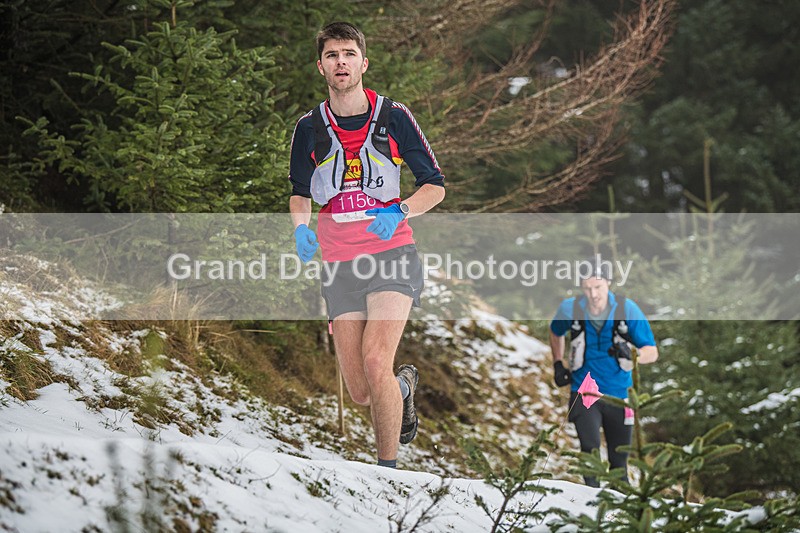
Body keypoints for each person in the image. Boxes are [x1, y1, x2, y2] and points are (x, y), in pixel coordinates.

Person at [288, 22, 446, 469]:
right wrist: (301, 228)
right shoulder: (309, 128)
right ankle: (402, 388)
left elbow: (435, 187)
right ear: (321, 66)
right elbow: (300, 192)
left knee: (378, 358)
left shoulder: (395, 117)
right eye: (333, 55)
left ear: (364, 62)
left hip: (392, 252)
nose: (342, 62)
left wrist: (400, 211)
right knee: (361, 389)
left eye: (349, 54)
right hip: (339, 262)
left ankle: (387, 471)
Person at [549, 258, 658, 487]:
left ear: (608, 283)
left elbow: (652, 351)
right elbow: (555, 331)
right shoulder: (571, 308)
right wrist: (557, 363)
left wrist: (634, 355)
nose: (593, 294)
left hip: (619, 394)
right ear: (581, 287)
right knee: (590, 452)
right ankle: (592, 509)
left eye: (598, 287)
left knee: (619, 461)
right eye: (587, 288)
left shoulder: (626, 309)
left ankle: (618, 515)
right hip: (585, 389)